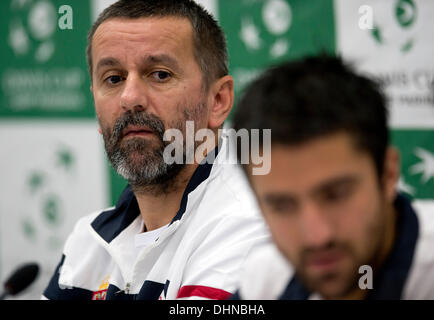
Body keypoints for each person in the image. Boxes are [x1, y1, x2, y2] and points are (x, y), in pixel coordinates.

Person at [42, 0, 269, 300]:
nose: (130, 98)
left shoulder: (249, 227)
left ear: (218, 101)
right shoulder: (89, 240)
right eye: (113, 78)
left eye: (160, 74)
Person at [231, 55, 434, 300]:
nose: (317, 237)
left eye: (336, 195)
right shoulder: (266, 280)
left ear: (388, 175)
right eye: (282, 206)